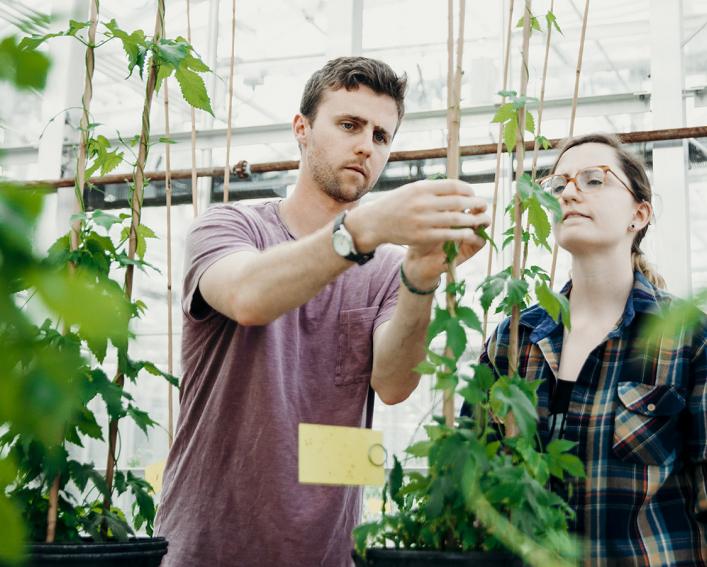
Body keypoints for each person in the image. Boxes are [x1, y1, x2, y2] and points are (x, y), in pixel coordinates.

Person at [154, 56, 490, 566]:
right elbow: (248, 298)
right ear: (302, 129)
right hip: (207, 548)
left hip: (327, 554)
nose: (365, 146)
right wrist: (363, 230)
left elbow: (394, 385)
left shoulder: (388, 269)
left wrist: (421, 278)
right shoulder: (228, 227)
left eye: (381, 136)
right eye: (349, 125)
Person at [474, 133, 707, 564]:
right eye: (558, 183)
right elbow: (473, 479)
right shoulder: (515, 339)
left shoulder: (686, 338)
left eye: (594, 179)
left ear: (638, 215)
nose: (569, 192)